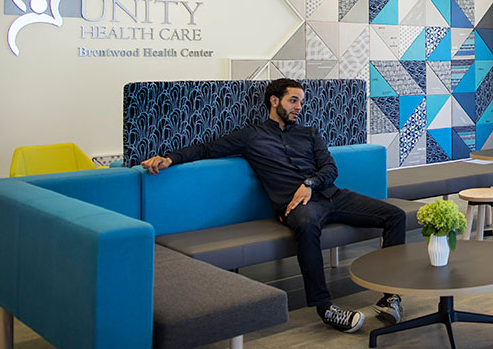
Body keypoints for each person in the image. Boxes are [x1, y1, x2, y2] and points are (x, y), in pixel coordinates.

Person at [141, 78, 406, 333]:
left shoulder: (309, 133)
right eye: (293, 101)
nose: (298, 107)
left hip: (331, 195)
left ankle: (390, 297)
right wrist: (169, 159)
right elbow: (206, 149)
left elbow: (330, 168)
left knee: (394, 215)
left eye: (301, 102)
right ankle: (324, 307)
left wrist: (310, 183)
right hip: (295, 206)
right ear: (274, 100)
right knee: (306, 224)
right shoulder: (251, 136)